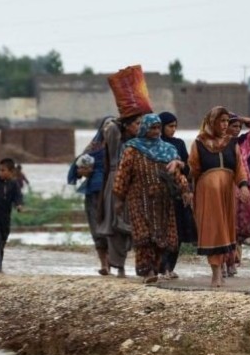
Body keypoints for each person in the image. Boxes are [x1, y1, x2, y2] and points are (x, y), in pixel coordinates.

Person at [113, 114, 192, 284]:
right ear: (144, 128)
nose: (156, 131)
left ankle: (155, 268)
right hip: (138, 199)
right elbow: (122, 175)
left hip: (162, 202)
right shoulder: (132, 149)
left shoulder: (168, 150)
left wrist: (185, 190)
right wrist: (119, 199)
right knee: (143, 236)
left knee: (160, 237)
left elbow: (177, 174)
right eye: (152, 128)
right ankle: (147, 271)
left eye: (158, 128)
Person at [188, 106, 250, 288]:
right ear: (212, 122)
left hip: (227, 193)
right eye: (221, 121)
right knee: (213, 230)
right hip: (207, 194)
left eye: (226, 121)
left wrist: (244, 185)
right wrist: (181, 169)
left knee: (225, 230)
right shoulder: (199, 143)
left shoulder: (232, 143)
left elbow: (239, 169)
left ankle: (221, 270)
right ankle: (215, 273)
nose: (224, 125)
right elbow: (193, 169)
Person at [97, 114, 141, 278]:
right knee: (116, 225)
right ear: (127, 125)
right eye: (136, 123)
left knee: (137, 225)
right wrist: (122, 118)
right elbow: (110, 127)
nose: (139, 127)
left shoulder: (140, 142)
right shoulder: (116, 140)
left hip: (135, 183)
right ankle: (119, 266)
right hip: (116, 183)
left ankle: (143, 266)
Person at [68, 118, 113, 275]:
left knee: (115, 228)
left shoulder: (122, 147)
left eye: (112, 126)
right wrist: (83, 171)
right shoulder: (93, 148)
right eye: (106, 126)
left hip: (115, 193)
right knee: (96, 228)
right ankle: (104, 264)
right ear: (101, 129)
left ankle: (116, 263)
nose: (108, 129)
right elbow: (78, 169)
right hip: (94, 193)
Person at [226, 113, 250, 277]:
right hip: (224, 186)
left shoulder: (244, 143)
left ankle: (233, 262)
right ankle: (226, 261)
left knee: (239, 227)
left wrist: (240, 119)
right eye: (232, 125)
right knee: (227, 224)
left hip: (243, 187)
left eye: (238, 127)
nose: (236, 129)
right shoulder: (218, 142)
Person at [157, 111, 196, 279]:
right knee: (163, 232)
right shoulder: (154, 145)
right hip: (159, 193)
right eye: (170, 126)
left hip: (178, 193)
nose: (173, 130)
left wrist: (179, 163)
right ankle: (161, 267)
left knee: (178, 231)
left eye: (175, 126)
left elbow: (188, 168)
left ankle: (170, 267)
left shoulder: (178, 143)